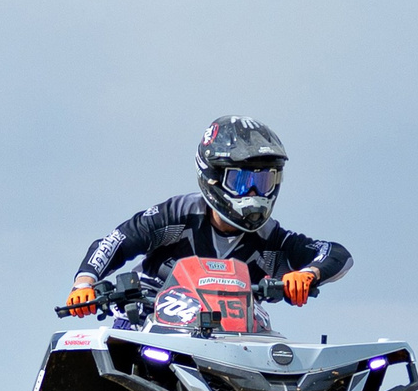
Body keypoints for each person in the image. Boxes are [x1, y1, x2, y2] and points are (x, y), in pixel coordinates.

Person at [67, 116, 351, 315]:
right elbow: (116, 240)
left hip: (232, 340)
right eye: (242, 181)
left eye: (264, 181)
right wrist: (85, 284)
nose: (254, 192)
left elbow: (336, 253)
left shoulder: (270, 239)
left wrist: (307, 273)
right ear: (213, 177)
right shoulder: (176, 214)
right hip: (147, 321)